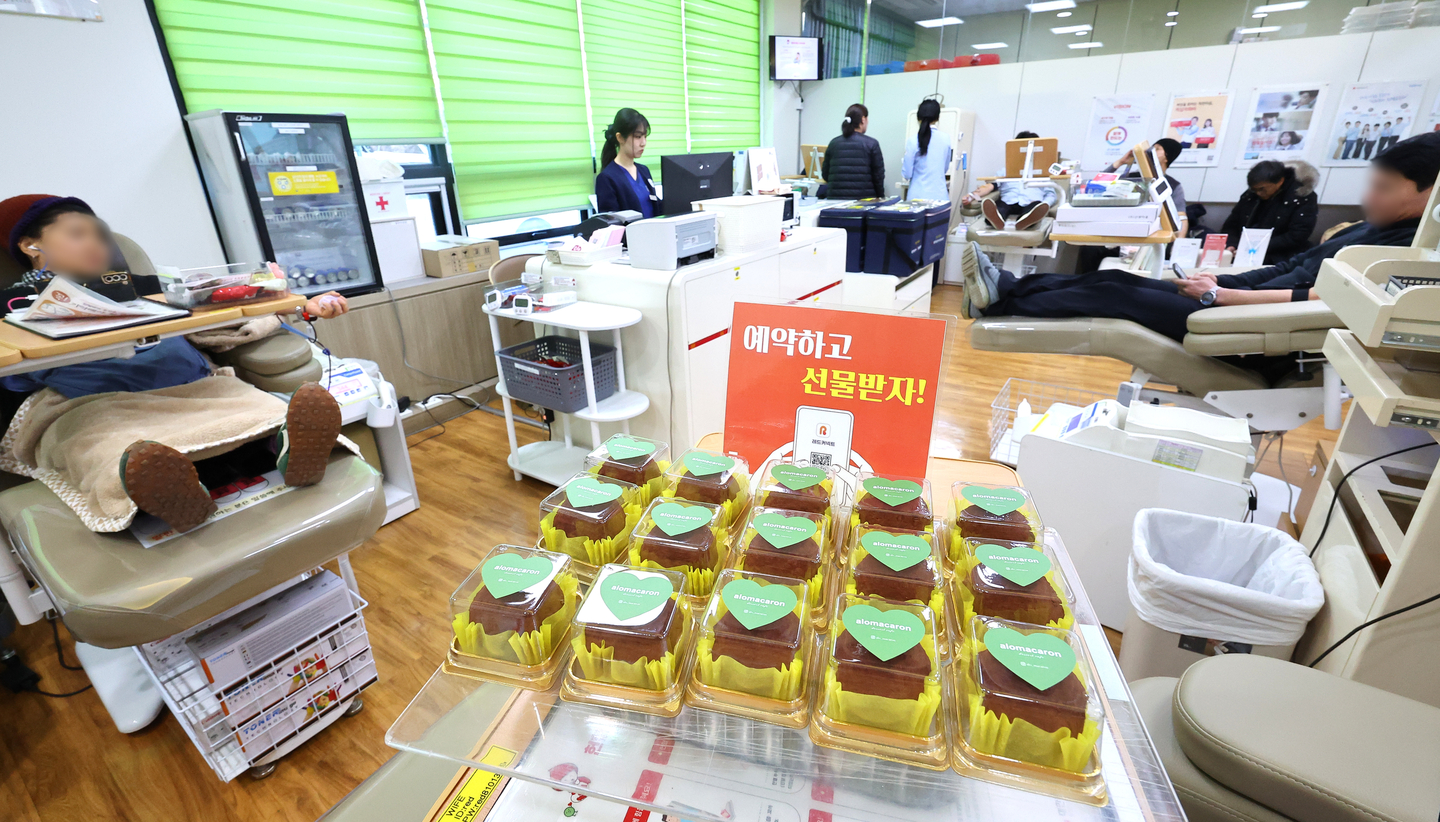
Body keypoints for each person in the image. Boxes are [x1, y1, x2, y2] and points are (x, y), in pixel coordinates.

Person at [0, 194, 353, 533]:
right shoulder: (11, 304)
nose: (96, 244)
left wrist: (303, 305)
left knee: (253, 406)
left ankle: (285, 447)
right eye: (77, 234)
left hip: (191, 385)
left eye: (99, 235)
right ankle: (173, 490)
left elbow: (223, 299)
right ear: (31, 246)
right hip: (96, 401)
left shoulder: (139, 286)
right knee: (108, 444)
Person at [961, 134, 1440, 342]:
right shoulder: (1373, 230)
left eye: (1383, 188)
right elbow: (1292, 269)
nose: (1368, 196)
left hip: (1254, 324)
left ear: (1430, 192)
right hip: (1239, 301)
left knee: (1116, 293)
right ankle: (1007, 287)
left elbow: (1319, 298)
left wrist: (1224, 295)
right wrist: (1221, 281)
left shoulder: (1403, 253)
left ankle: (999, 303)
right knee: (1119, 280)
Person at [1221, 160, 1319, 264]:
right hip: (1244, 250)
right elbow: (1231, 225)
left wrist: (1256, 246)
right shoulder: (1251, 194)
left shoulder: (1302, 197)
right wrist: (1232, 244)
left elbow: (1297, 235)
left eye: (1262, 189)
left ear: (1280, 181)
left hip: (1280, 255)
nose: (1258, 193)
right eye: (1254, 189)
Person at [962, 131, 1057, 230]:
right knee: (1000, 207)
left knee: (1034, 207)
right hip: (1007, 202)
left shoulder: (1042, 172)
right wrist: (971, 196)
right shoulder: (1005, 171)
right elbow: (989, 186)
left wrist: (1044, 204)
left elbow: (1051, 194)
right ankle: (995, 219)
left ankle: (1026, 220)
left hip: (1031, 203)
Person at [594, 108, 659, 217]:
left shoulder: (644, 170)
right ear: (620, 137)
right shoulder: (606, 178)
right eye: (638, 137)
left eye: (645, 136)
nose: (643, 143)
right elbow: (611, 222)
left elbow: (656, 206)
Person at [822, 104, 885, 200]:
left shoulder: (833, 143)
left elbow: (825, 175)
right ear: (863, 119)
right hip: (863, 202)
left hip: (835, 202)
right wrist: (880, 197)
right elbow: (878, 177)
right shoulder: (872, 144)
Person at [901, 99, 953, 202]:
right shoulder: (946, 138)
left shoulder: (913, 140)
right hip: (940, 198)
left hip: (917, 197)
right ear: (937, 117)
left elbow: (907, 174)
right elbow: (945, 168)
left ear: (918, 117)